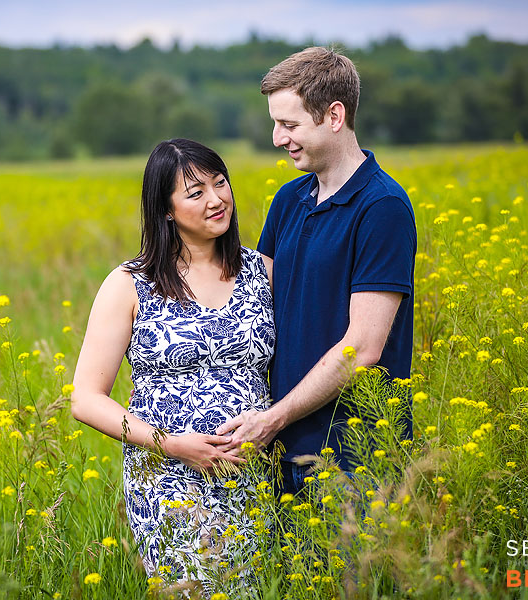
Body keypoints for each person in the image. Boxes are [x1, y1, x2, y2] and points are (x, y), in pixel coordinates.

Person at [70, 139, 275, 592]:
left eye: (220, 183)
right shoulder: (130, 284)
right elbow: (85, 399)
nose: (216, 200)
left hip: (254, 472)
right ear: (166, 210)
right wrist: (172, 444)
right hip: (169, 478)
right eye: (196, 192)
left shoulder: (263, 271)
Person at [216, 47, 417, 494]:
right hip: (276, 451)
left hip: (355, 457)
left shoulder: (382, 207)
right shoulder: (289, 200)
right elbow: (252, 308)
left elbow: (361, 348)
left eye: (290, 125)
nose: (277, 138)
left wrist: (274, 418)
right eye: (275, 124)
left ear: (334, 116)